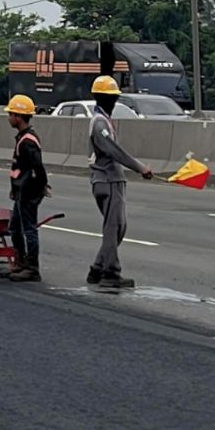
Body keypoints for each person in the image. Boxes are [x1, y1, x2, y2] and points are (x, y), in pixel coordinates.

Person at [88, 75, 153, 288]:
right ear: (101, 98)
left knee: (116, 227)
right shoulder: (99, 123)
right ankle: (110, 272)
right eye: (110, 97)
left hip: (107, 180)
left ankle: (98, 268)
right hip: (108, 180)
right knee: (113, 228)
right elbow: (115, 152)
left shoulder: (103, 119)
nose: (114, 101)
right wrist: (140, 167)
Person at [1, 95, 47, 282]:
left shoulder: (28, 141)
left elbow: (38, 167)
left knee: (29, 229)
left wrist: (41, 187)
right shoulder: (23, 138)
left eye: (11, 114)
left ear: (18, 116)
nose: (9, 117)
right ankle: (20, 263)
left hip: (28, 192)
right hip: (22, 191)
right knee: (14, 227)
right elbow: (21, 169)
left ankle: (32, 268)